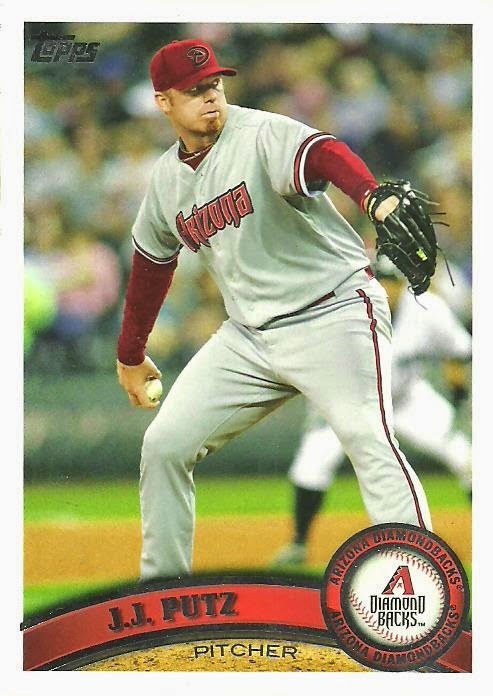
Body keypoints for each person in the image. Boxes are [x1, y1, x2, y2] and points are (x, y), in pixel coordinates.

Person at [116, 38, 432, 582]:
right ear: (163, 102)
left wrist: (369, 194)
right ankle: (161, 597)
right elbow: (151, 264)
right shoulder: (167, 179)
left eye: (214, 84)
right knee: (165, 446)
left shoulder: (260, 133)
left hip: (331, 313)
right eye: (194, 90)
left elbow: (322, 154)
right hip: (248, 338)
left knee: (368, 437)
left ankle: (423, 591)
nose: (211, 96)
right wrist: (130, 354)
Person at [272, 259, 472, 567]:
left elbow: (458, 351)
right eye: (379, 279)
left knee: (467, 456)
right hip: (349, 402)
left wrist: (458, 398)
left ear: (404, 284)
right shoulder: (343, 310)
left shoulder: (427, 309)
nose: (385, 287)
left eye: (391, 280)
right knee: (312, 464)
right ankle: (298, 543)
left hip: (407, 399)